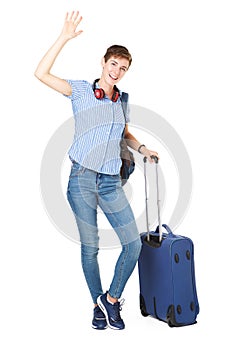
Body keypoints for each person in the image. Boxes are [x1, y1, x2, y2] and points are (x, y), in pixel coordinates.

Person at [35, 10, 159, 330]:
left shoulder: (122, 100)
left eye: (123, 68)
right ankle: (95, 304)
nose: (117, 71)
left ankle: (112, 299)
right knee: (90, 248)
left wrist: (143, 149)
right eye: (113, 64)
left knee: (132, 244)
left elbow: (125, 134)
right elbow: (41, 73)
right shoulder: (78, 90)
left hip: (110, 182)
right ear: (102, 64)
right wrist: (63, 36)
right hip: (81, 180)